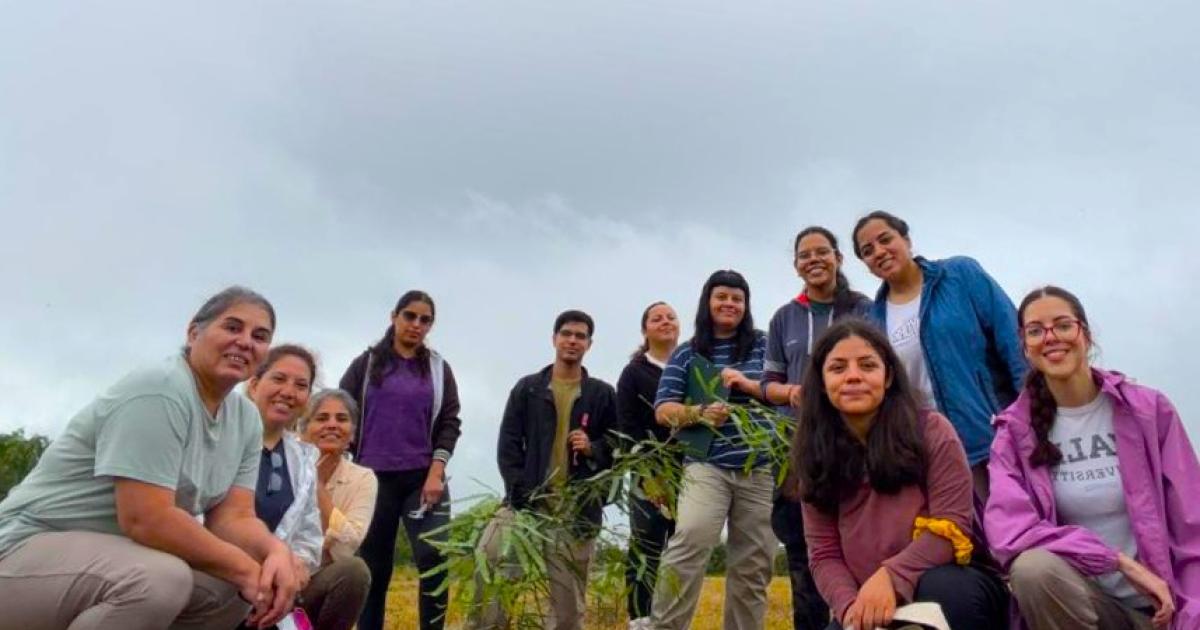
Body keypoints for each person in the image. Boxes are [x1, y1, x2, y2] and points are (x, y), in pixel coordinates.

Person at [0, 286, 301, 629]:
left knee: (231, 591)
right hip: (25, 548)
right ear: (194, 333)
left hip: (112, 560)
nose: (245, 342)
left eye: (260, 336)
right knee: (160, 580)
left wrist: (275, 552)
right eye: (232, 327)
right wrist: (245, 568)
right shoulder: (160, 388)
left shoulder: (246, 419)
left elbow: (234, 517)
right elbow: (146, 518)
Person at [984, 286, 1200, 630]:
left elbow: (1192, 526)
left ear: (1085, 334)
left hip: (1165, 613)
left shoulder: (1148, 410)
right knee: (1032, 569)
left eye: (1062, 325)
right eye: (1036, 331)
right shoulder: (1013, 434)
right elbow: (1009, 531)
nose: (1051, 338)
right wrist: (1116, 561)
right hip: (1089, 609)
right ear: (1025, 347)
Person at [795, 319, 1008, 630]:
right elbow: (824, 554)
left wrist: (891, 576)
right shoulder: (815, 455)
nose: (853, 375)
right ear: (822, 384)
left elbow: (952, 525)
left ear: (888, 377)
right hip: (867, 598)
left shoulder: (931, 430)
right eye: (838, 368)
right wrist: (850, 607)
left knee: (946, 589)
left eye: (867, 365)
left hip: (949, 580)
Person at [852, 210, 1026, 497]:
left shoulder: (960, 275)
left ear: (906, 240)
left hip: (992, 438)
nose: (879, 252)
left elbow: (1014, 340)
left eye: (885, 239)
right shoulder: (873, 322)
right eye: (868, 251)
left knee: (1015, 521)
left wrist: (1035, 410)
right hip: (930, 453)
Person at [474, 309, 618, 630]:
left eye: (580, 336)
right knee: (491, 560)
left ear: (589, 344)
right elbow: (508, 446)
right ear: (554, 339)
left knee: (568, 610)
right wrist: (520, 492)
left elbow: (618, 448)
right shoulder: (528, 389)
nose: (572, 341)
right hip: (525, 503)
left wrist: (593, 448)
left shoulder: (602, 394)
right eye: (566, 334)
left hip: (575, 511)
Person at [649, 270, 776, 630]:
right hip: (706, 465)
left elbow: (782, 393)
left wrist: (748, 385)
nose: (729, 304)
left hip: (759, 468)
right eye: (722, 297)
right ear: (707, 302)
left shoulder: (764, 345)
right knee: (689, 541)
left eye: (737, 298)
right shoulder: (687, 352)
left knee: (754, 564)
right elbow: (663, 410)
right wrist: (699, 413)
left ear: (746, 305)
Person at [762, 226, 871, 630]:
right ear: (796, 266)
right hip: (797, 447)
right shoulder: (784, 318)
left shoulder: (863, 309)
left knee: (857, 539)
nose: (814, 260)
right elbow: (767, 384)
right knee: (802, 549)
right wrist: (791, 392)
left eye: (821, 252)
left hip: (855, 441)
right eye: (804, 255)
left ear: (838, 259)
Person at [339, 290, 463, 630]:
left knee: (434, 557)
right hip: (372, 478)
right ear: (394, 317)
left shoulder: (438, 369)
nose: (416, 324)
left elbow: (450, 421)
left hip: (423, 478)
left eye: (425, 320)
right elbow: (343, 409)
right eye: (410, 316)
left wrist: (436, 471)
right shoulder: (366, 365)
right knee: (373, 567)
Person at [247, 347, 371, 630]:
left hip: (292, 583)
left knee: (353, 571)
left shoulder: (303, 462)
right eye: (279, 379)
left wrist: (297, 565)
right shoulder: (228, 440)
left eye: (301, 385)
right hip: (234, 576)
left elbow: (313, 537)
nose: (289, 392)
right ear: (254, 385)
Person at [616, 301, 681, 629]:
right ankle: (640, 619)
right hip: (649, 475)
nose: (665, 322)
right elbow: (628, 430)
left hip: (690, 475)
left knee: (683, 551)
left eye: (671, 317)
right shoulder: (634, 373)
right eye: (657, 319)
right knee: (646, 548)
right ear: (645, 330)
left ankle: (674, 618)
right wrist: (649, 477)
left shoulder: (689, 366)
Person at [299, 389, 378, 630]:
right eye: (322, 418)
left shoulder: (362, 479)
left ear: (352, 434)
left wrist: (318, 487)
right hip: (269, 579)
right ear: (303, 429)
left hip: (315, 584)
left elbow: (345, 550)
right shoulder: (285, 461)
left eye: (341, 419)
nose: (332, 425)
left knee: (355, 571)